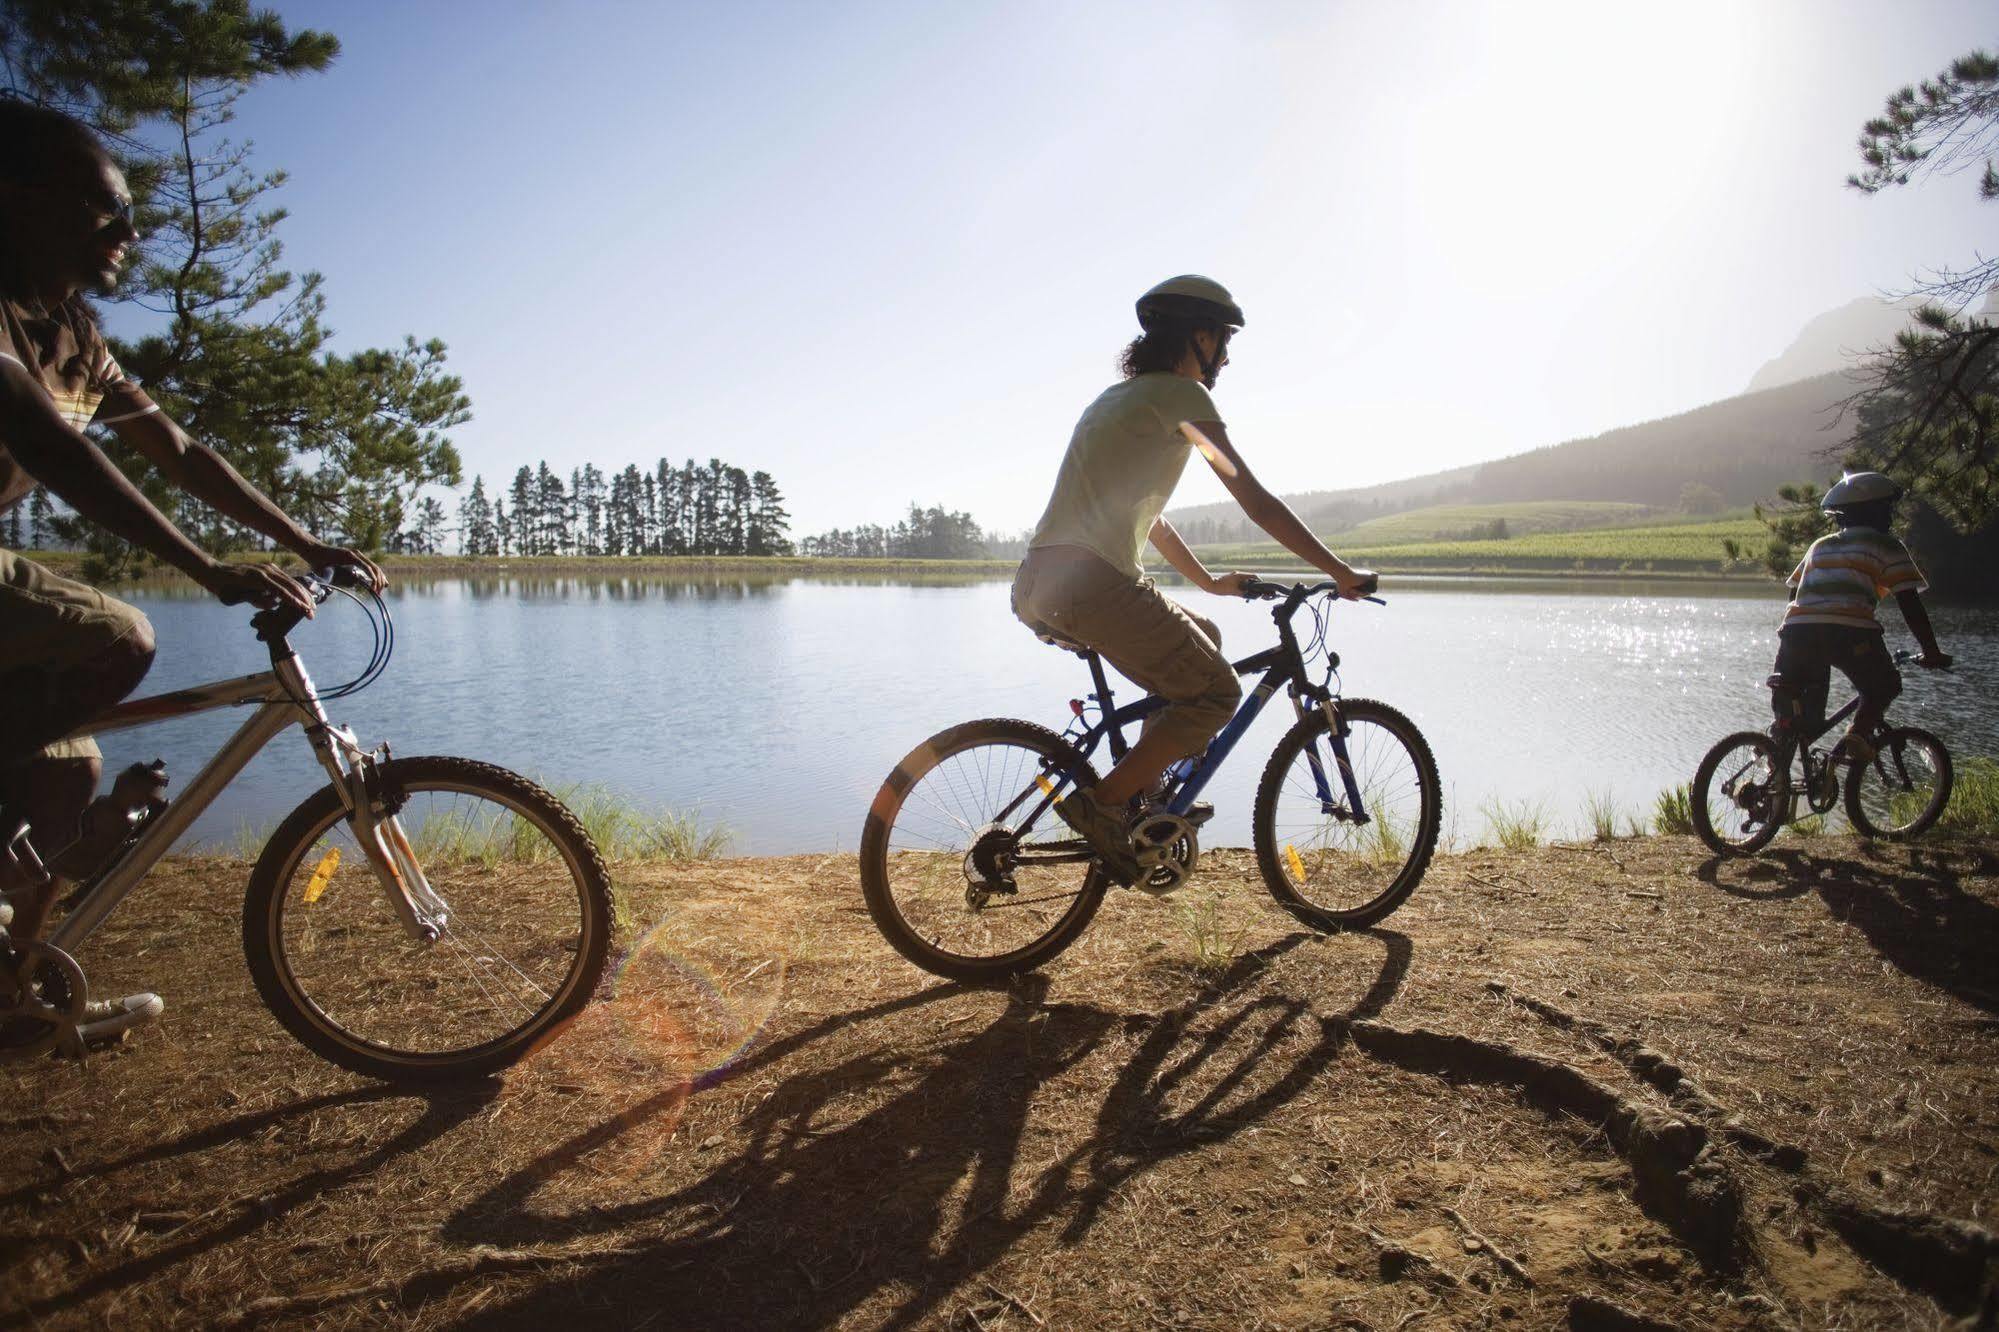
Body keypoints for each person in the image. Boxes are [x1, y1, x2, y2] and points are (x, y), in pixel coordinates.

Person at [0, 99, 382, 1043]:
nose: (129, 231)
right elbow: (50, 450)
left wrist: (305, 542)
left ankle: (12, 1004)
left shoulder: (77, 335)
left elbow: (176, 449)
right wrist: (210, 570)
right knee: (114, 633)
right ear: (17, 200)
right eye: (102, 208)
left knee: (66, 777)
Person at [1012, 275, 1375, 884]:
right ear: (1198, 338)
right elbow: (1253, 498)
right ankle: (1104, 805)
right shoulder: (1183, 397)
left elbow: (1147, 517)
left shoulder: (1116, 399)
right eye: (1224, 341)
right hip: (1092, 582)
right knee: (1215, 695)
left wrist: (1208, 584)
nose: (1227, 357)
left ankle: (1145, 800)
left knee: (1203, 635)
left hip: (1038, 581)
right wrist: (1338, 572)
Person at [1770, 470, 1950, 762]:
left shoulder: (1820, 545)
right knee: (1884, 685)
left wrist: (1799, 633)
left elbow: (1796, 594)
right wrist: (1931, 650)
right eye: (1888, 510)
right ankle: (1858, 733)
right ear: (1877, 512)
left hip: (1796, 631)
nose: (1891, 517)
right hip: (1849, 632)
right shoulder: (1887, 545)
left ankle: (1772, 784)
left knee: (1798, 716)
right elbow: (1909, 602)